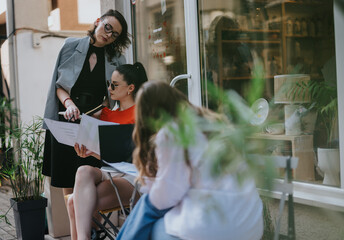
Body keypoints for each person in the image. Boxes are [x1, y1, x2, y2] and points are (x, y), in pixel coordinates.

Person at [117, 81, 264, 240]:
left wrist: (151, 186)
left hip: (216, 228)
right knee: (151, 206)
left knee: (151, 216)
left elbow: (167, 195)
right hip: (249, 224)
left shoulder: (172, 132)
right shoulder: (211, 122)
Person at [42, 9, 131, 196]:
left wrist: (101, 113)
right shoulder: (70, 46)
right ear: (98, 21)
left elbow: (114, 96)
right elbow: (59, 86)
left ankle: (91, 225)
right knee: (68, 178)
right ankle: (76, 225)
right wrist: (69, 105)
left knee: (92, 176)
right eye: (107, 28)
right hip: (66, 116)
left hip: (94, 122)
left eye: (115, 34)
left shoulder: (117, 59)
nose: (109, 35)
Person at [67, 62, 147, 240]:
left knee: (74, 202)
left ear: (130, 88)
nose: (109, 88)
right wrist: (88, 152)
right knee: (83, 170)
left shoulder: (142, 114)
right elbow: (106, 153)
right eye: (109, 84)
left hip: (132, 175)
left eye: (114, 85)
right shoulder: (105, 114)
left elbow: (138, 156)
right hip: (109, 171)